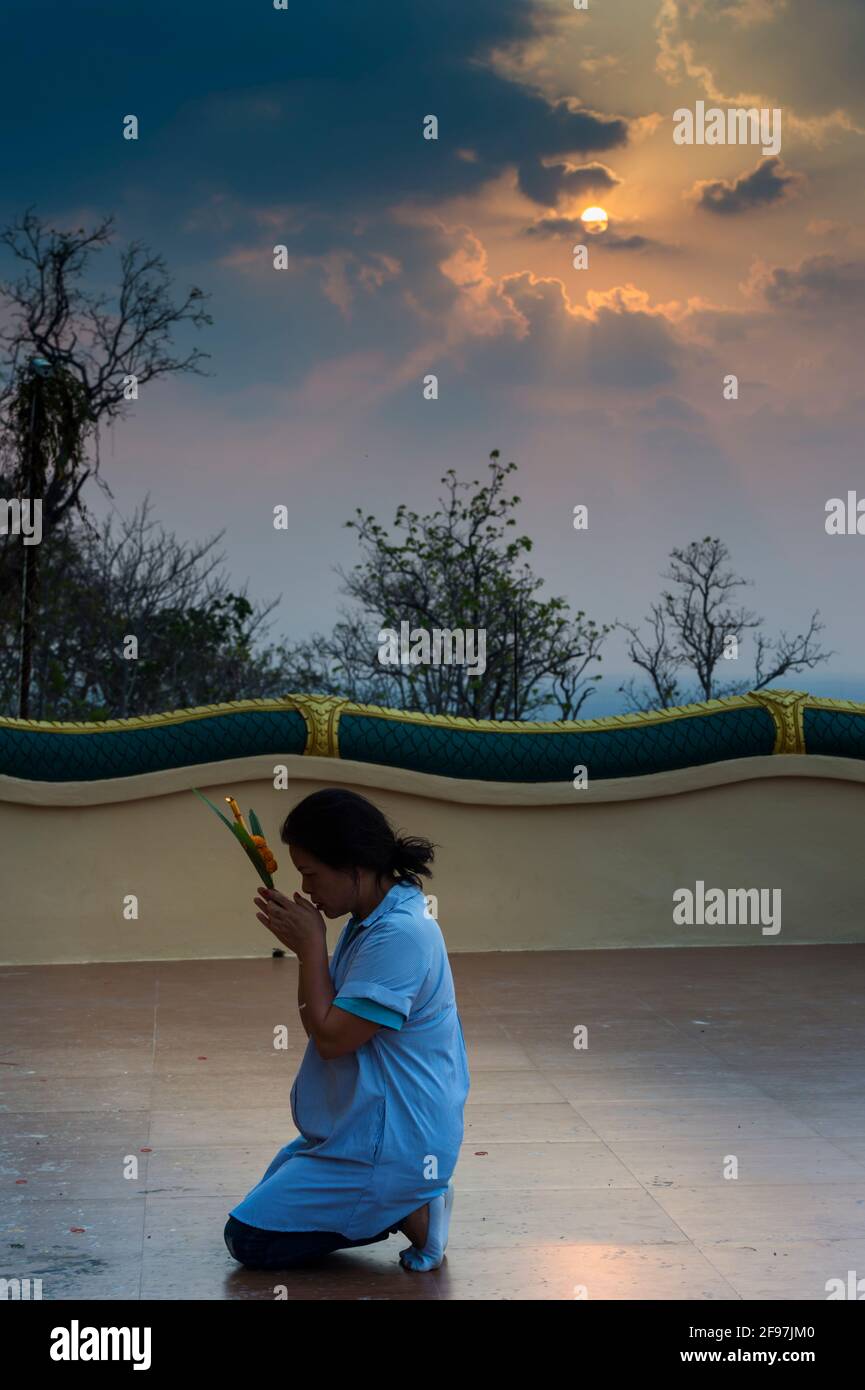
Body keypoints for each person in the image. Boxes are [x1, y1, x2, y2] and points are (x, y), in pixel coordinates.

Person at [224, 787, 470, 1272]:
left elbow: (332, 1040)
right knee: (268, 1192)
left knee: (248, 1240)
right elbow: (325, 1017)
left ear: (354, 867)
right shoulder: (372, 917)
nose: (307, 888)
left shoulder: (399, 934)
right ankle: (400, 1197)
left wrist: (311, 948)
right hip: (362, 1127)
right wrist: (311, 948)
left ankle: (413, 1206)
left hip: (395, 1139)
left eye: (312, 874)